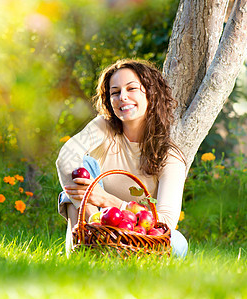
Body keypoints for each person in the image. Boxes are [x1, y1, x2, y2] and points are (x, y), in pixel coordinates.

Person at [56, 58, 188, 257]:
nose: (122, 97)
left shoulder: (170, 157)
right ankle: (82, 247)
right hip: (97, 232)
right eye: (115, 92)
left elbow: (166, 222)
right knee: (80, 167)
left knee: (178, 243)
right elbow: (66, 157)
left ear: (151, 93)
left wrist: (108, 201)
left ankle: (116, 256)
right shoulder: (104, 127)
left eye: (131, 88)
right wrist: (95, 219)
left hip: (139, 237)